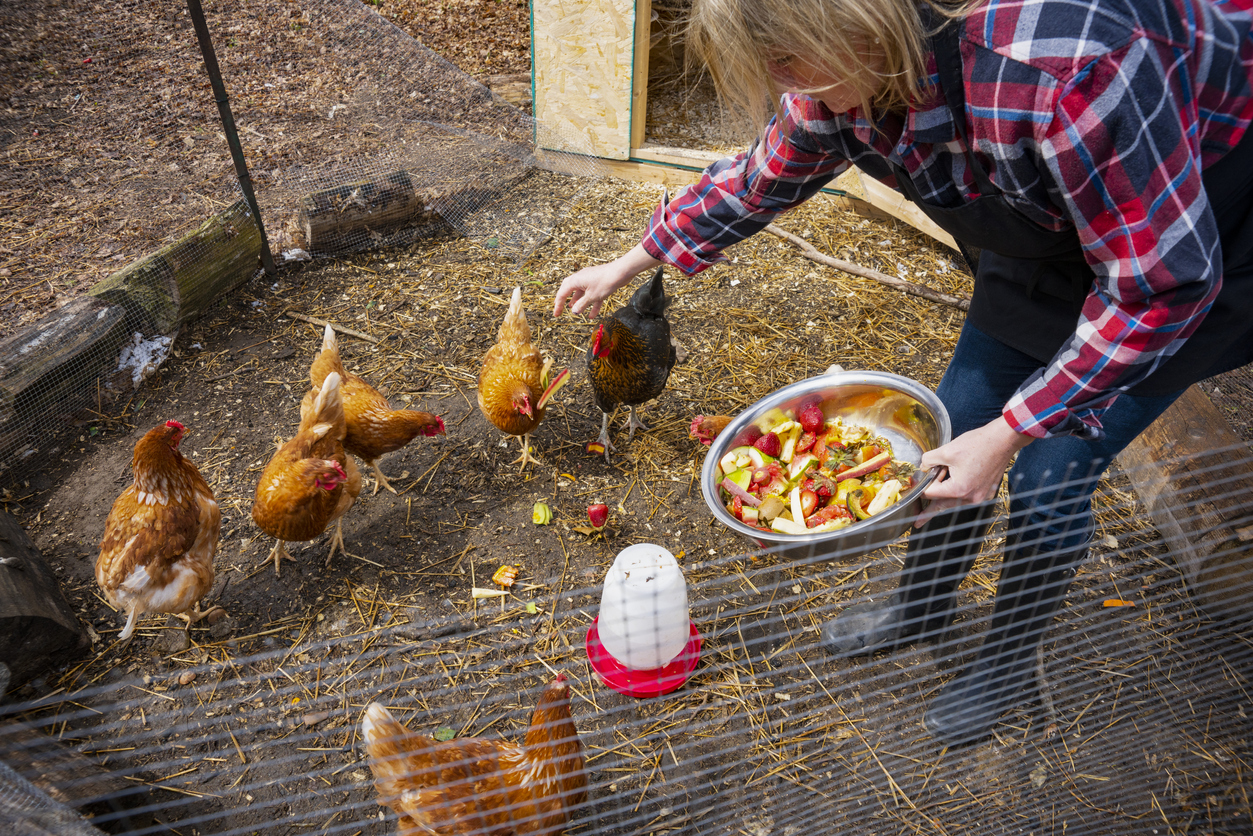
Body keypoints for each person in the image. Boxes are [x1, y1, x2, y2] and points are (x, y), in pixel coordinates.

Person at [552, 0, 1253, 745]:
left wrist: (1013, 430)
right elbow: (757, 179)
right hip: (1052, 237)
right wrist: (631, 261)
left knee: (1052, 472)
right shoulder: (843, 83)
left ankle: (1004, 664)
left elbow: (1160, 284)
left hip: (1183, 232)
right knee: (953, 420)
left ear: (851, 27)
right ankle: (921, 607)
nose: (777, 84)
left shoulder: (1065, 69)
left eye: (785, 61)